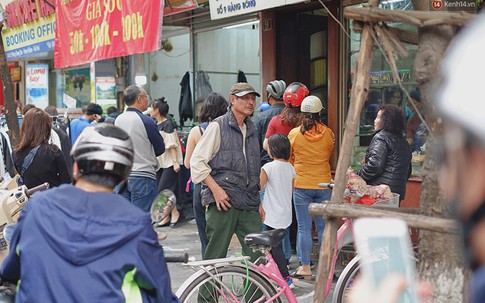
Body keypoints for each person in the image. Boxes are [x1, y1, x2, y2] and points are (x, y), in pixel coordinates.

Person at [0, 123, 179, 302]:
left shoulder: (37, 208)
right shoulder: (137, 225)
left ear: (76, 167)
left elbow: (11, 269)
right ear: (125, 175)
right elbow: (161, 292)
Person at [189, 82, 262, 263]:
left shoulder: (253, 130)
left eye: (252, 98)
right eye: (245, 98)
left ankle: (256, 292)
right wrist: (216, 190)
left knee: (258, 256)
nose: (250, 102)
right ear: (232, 100)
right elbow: (196, 162)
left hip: (249, 202)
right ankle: (209, 293)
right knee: (215, 257)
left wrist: (259, 201)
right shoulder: (218, 126)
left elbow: (253, 169)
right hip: (223, 201)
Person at [288, 95, 335, 279]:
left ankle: (305, 267)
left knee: (303, 228)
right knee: (324, 228)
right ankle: (327, 267)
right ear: (320, 112)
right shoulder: (328, 133)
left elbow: (290, 157)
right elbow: (328, 153)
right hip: (323, 184)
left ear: (302, 113)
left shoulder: (293, 134)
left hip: (301, 184)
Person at [184, 92, 228, 256]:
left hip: (201, 186)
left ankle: (209, 273)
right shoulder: (226, 129)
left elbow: (188, 163)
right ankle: (220, 271)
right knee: (220, 235)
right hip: (222, 186)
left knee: (204, 235)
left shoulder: (197, 131)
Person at [115, 85, 165, 212]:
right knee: (142, 219)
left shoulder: (118, 120)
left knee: (125, 217)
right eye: (146, 97)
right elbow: (160, 148)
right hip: (143, 176)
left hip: (122, 175)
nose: (148, 101)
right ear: (139, 99)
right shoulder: (146, 121)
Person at [259, 133, 296, 287]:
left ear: (272, 150)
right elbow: (291, 191)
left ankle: (285, 277)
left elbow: (258, 188)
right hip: (285, 212)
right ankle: (278, 275)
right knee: (277, 245)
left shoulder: (267, 167)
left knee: (274, 247)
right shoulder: (291, 168)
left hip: (270, 213)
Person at [358, 104, 411, 201]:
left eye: (378, 117)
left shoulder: (381, 137)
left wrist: (359, 175)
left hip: (379, 193)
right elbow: (408, 171)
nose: (374, 121)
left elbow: (374, 166)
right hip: (396, 194)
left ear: (386, 121)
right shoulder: (403, 141)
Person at [12, 108, 71, 189]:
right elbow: (66, 181)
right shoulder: (54, 151)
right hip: (52, 199)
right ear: (46, 128)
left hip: (31, 200)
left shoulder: (16, 153)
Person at [150, 97, 183, 227]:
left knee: (163, 190)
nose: (150, 110)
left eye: (152, 108)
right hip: (160, 162)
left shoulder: (167, 124)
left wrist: (175, 162)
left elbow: (172, 145)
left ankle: (171, 214)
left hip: (169, 162)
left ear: (157, 110)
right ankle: (170, 214)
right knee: (165, 190)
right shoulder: (155, 124)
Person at [254, 79, 287, 166]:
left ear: (270, 97)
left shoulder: (261, 117)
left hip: (266, 164)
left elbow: (255, 145)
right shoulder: (294, 116)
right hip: (289, 164)